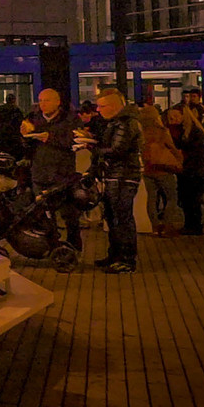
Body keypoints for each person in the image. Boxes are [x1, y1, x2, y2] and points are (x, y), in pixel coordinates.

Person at [78, 89, 141, 273]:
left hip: (123, 176)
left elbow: (117, 150)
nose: (98, 110)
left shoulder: (125, 123)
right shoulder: (119, 122)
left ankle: (126, 260)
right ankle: (116, 256)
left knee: (122, 218)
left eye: (102, 106)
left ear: (114, 106)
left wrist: (93, 146)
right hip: (116, 175)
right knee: (114, 217)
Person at [21, 88, 79, 248]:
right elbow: (27, 147)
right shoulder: (34, 119)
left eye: (46, 101)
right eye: (40, 101)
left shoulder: (70, 120)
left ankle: (74, 245)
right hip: (40, 172)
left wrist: (50, 138)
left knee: (69, 213)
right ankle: (52, 245)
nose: (42, 104)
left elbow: (73, 142)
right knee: (43, 213)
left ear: (57, 102)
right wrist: (25, 137)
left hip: (63, 173)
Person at [138, 104, 183, 237]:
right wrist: (179, 159)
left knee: (151, 199)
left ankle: (155, 225)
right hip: (163, 170)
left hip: (148, 170)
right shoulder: (161, 131)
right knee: (171, 197)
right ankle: (167, 225)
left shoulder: (140, 132)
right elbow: (172, 147)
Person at [166, 105, 204, 235]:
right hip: (184, 170)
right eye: (171, 117)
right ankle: (190, 224)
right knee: (185, 198)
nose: (174, 119)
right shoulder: (178, 130)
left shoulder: (195, 131)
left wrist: (181, 153)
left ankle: (195, 225)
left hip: (194, 169)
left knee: (193, 199)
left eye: (176, 116)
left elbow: (196, 151)